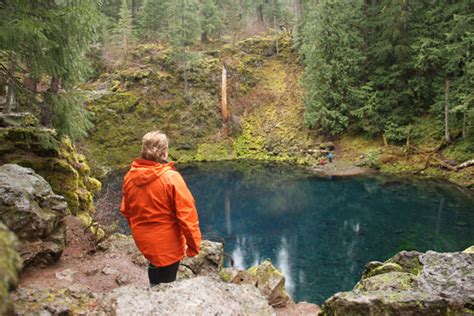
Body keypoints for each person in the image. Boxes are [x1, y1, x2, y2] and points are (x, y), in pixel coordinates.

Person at [120, 131, 202, 286]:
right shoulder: (170, 178)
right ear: (164, 152)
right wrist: (193, 246)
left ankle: (153, 289)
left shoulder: (130, 176)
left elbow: (126, 211)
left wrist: (141, 232)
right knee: (167, 282)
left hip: (143, 239)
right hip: (167, 243)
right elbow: (187, 216)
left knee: (154, 264)